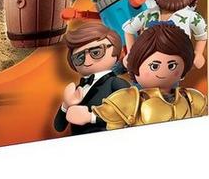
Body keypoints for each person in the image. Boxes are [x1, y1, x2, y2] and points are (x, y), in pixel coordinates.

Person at [65, 22, 206, 129]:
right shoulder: (131, 98)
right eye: (154, 66)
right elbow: (114, 112)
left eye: (172, 66)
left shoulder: (192, 99)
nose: (162, 72)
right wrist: (89, 116)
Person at [123, 0, 206, 69]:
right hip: (146, 64)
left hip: (175, 66)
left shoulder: (190, 17)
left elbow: (201, 36)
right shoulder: (149, 14)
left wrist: (198, 53)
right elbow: (129, 30)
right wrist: (131, 53)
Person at [53, 22, 128, 135]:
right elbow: (58, 127)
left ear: (115, 49)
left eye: (96, 52)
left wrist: (91, 118)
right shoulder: (78, 89)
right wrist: (66, 105)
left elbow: (129, 115)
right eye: (79, 58)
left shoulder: (116, 83)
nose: (87, 61)